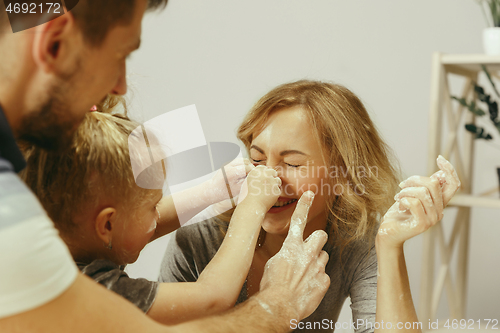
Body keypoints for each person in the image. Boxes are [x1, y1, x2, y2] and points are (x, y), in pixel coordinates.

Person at [0, 1, 330, 332]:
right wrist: (278, 303)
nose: (120, 87)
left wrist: (209, 193)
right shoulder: (83, 269)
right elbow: (211, 298)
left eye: (291, 162)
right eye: (120, 57)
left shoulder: (44, 210)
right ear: (54, 43)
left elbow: (123, 225)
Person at [160, 80, 461, 332]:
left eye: (291, 163)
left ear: (343, 172)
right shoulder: (199, 237)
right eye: (257, 159)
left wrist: (390, 245)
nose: (268, 179)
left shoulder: (354, 241)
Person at [20, 108, 306, 325]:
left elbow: (133, 228)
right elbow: (212, 298)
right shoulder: (95, 288)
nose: (157, 217)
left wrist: (211, 192)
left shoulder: (45, 246)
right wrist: (251, 206)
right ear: (106, 224)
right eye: (152, 206)